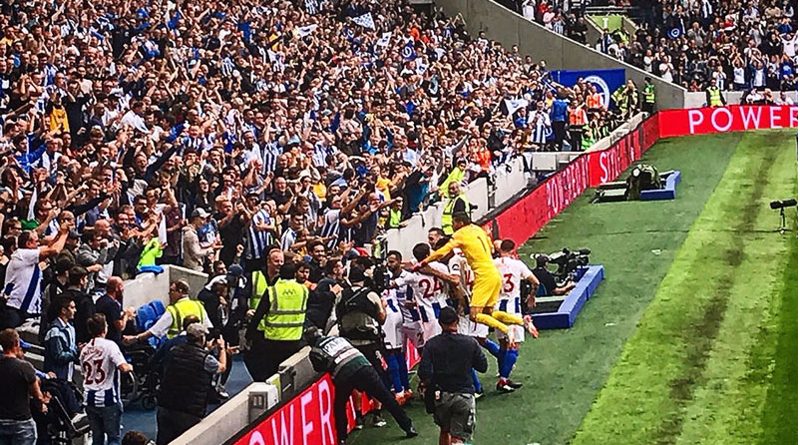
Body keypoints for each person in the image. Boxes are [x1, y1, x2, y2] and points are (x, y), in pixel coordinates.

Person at [420, 212, 537, 343]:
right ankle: (521, 321)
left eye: (453, 222)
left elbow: (443, 250)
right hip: (494, 274)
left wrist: (424, 262)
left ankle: (506, 329)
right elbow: (492, 248)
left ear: (460, 223)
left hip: (483, 277)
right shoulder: (478, 229)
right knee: (488, 313)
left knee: (474, 316)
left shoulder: (460, 236)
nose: (452, 225)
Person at [306, 327, 417, 445]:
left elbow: (318, 367)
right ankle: (408, 427)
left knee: (340, 406)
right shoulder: (337, 338)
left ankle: (342, 439)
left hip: (344, 375)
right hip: (364, 366)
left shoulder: (315, 351)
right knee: (387, 397)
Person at [418, 307, 488, 445]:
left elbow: (424, 373)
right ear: (457, 320)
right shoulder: (469, 342)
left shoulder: (431, 344)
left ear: (440, 323)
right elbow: (483, 367)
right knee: (459, 438)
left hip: (441, 396)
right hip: (464, 395)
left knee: (445, 430)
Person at [156, 323, 226, 445]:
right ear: (202, 338)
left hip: (166, 405)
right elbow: (222, 367)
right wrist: (222, 349)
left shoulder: (174, 351)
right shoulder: (206, 359)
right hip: (189, 411)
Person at [246, 263, 309, 381]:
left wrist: (249, 335)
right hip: (295, 340)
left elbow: (258, 315)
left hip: (273, 341)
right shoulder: (303, 290)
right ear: (294, 274)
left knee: (271, 374)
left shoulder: (272, 291)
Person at [0, 225, 71, 329]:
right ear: (28, 244)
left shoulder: (28, 255)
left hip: (28, 309)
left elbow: (49, 246)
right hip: (14, 307)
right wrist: (65, 233)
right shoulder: (22, 254)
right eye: (36, 241)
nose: (38, 244)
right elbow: (54, 250)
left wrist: (59, 234)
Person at [493, 239, 540, 392]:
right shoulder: (517, 264)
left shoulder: (493, 264)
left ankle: (502, 373)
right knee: (514, 344)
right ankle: (503, 379)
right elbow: (535, 282)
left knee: (502, 343)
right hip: (512, 308)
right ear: (513, 249)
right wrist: (532, 296)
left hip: (497, 308)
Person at [80, 314, 133, 445]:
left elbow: (84, 372)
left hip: (89, 398)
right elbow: (122, 367)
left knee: (97, 438)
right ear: (104, 328)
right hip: (108, 399)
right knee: (113, 438)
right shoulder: (110, 346)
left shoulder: (85, 349)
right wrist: (129, 366)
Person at [0, 328, 50, 445]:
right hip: (21, 422)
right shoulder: (25, 367)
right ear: (16, 343)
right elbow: (36, 395)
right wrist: (43, 402)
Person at [123, 280, 212, 344]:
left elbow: (155, 331)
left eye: (172, 291)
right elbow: (208, 326)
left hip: (175, 347)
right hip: (198, 345)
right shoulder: (198, 305)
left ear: (180, 291)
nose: (169, 294)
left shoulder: (173, 310)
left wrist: (135, 339)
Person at [43, 295, 79, 381]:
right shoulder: (55, 331)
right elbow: (58, 356)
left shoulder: (71, 328)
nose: (75, 310)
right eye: (72, 308)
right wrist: (77, 352)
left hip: (68, 375)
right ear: (63, 310)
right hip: (57, 376)